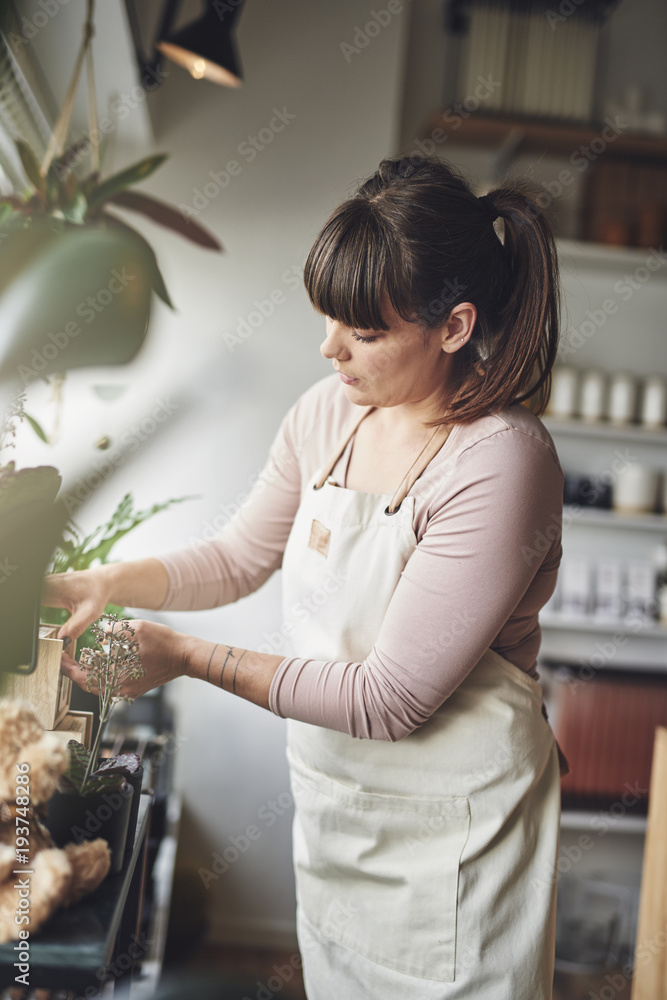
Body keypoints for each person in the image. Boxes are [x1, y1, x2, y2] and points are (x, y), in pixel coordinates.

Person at [44, 155, 568, 1000]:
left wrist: (183, 656)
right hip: (341, 813)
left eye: (362, 332)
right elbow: (237, 558)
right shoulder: (328, 412)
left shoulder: (500, 463)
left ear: (454, 326)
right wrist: (104, 580)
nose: (328, 349)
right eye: (327, 319)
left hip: (457, 843)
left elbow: (388, 699)